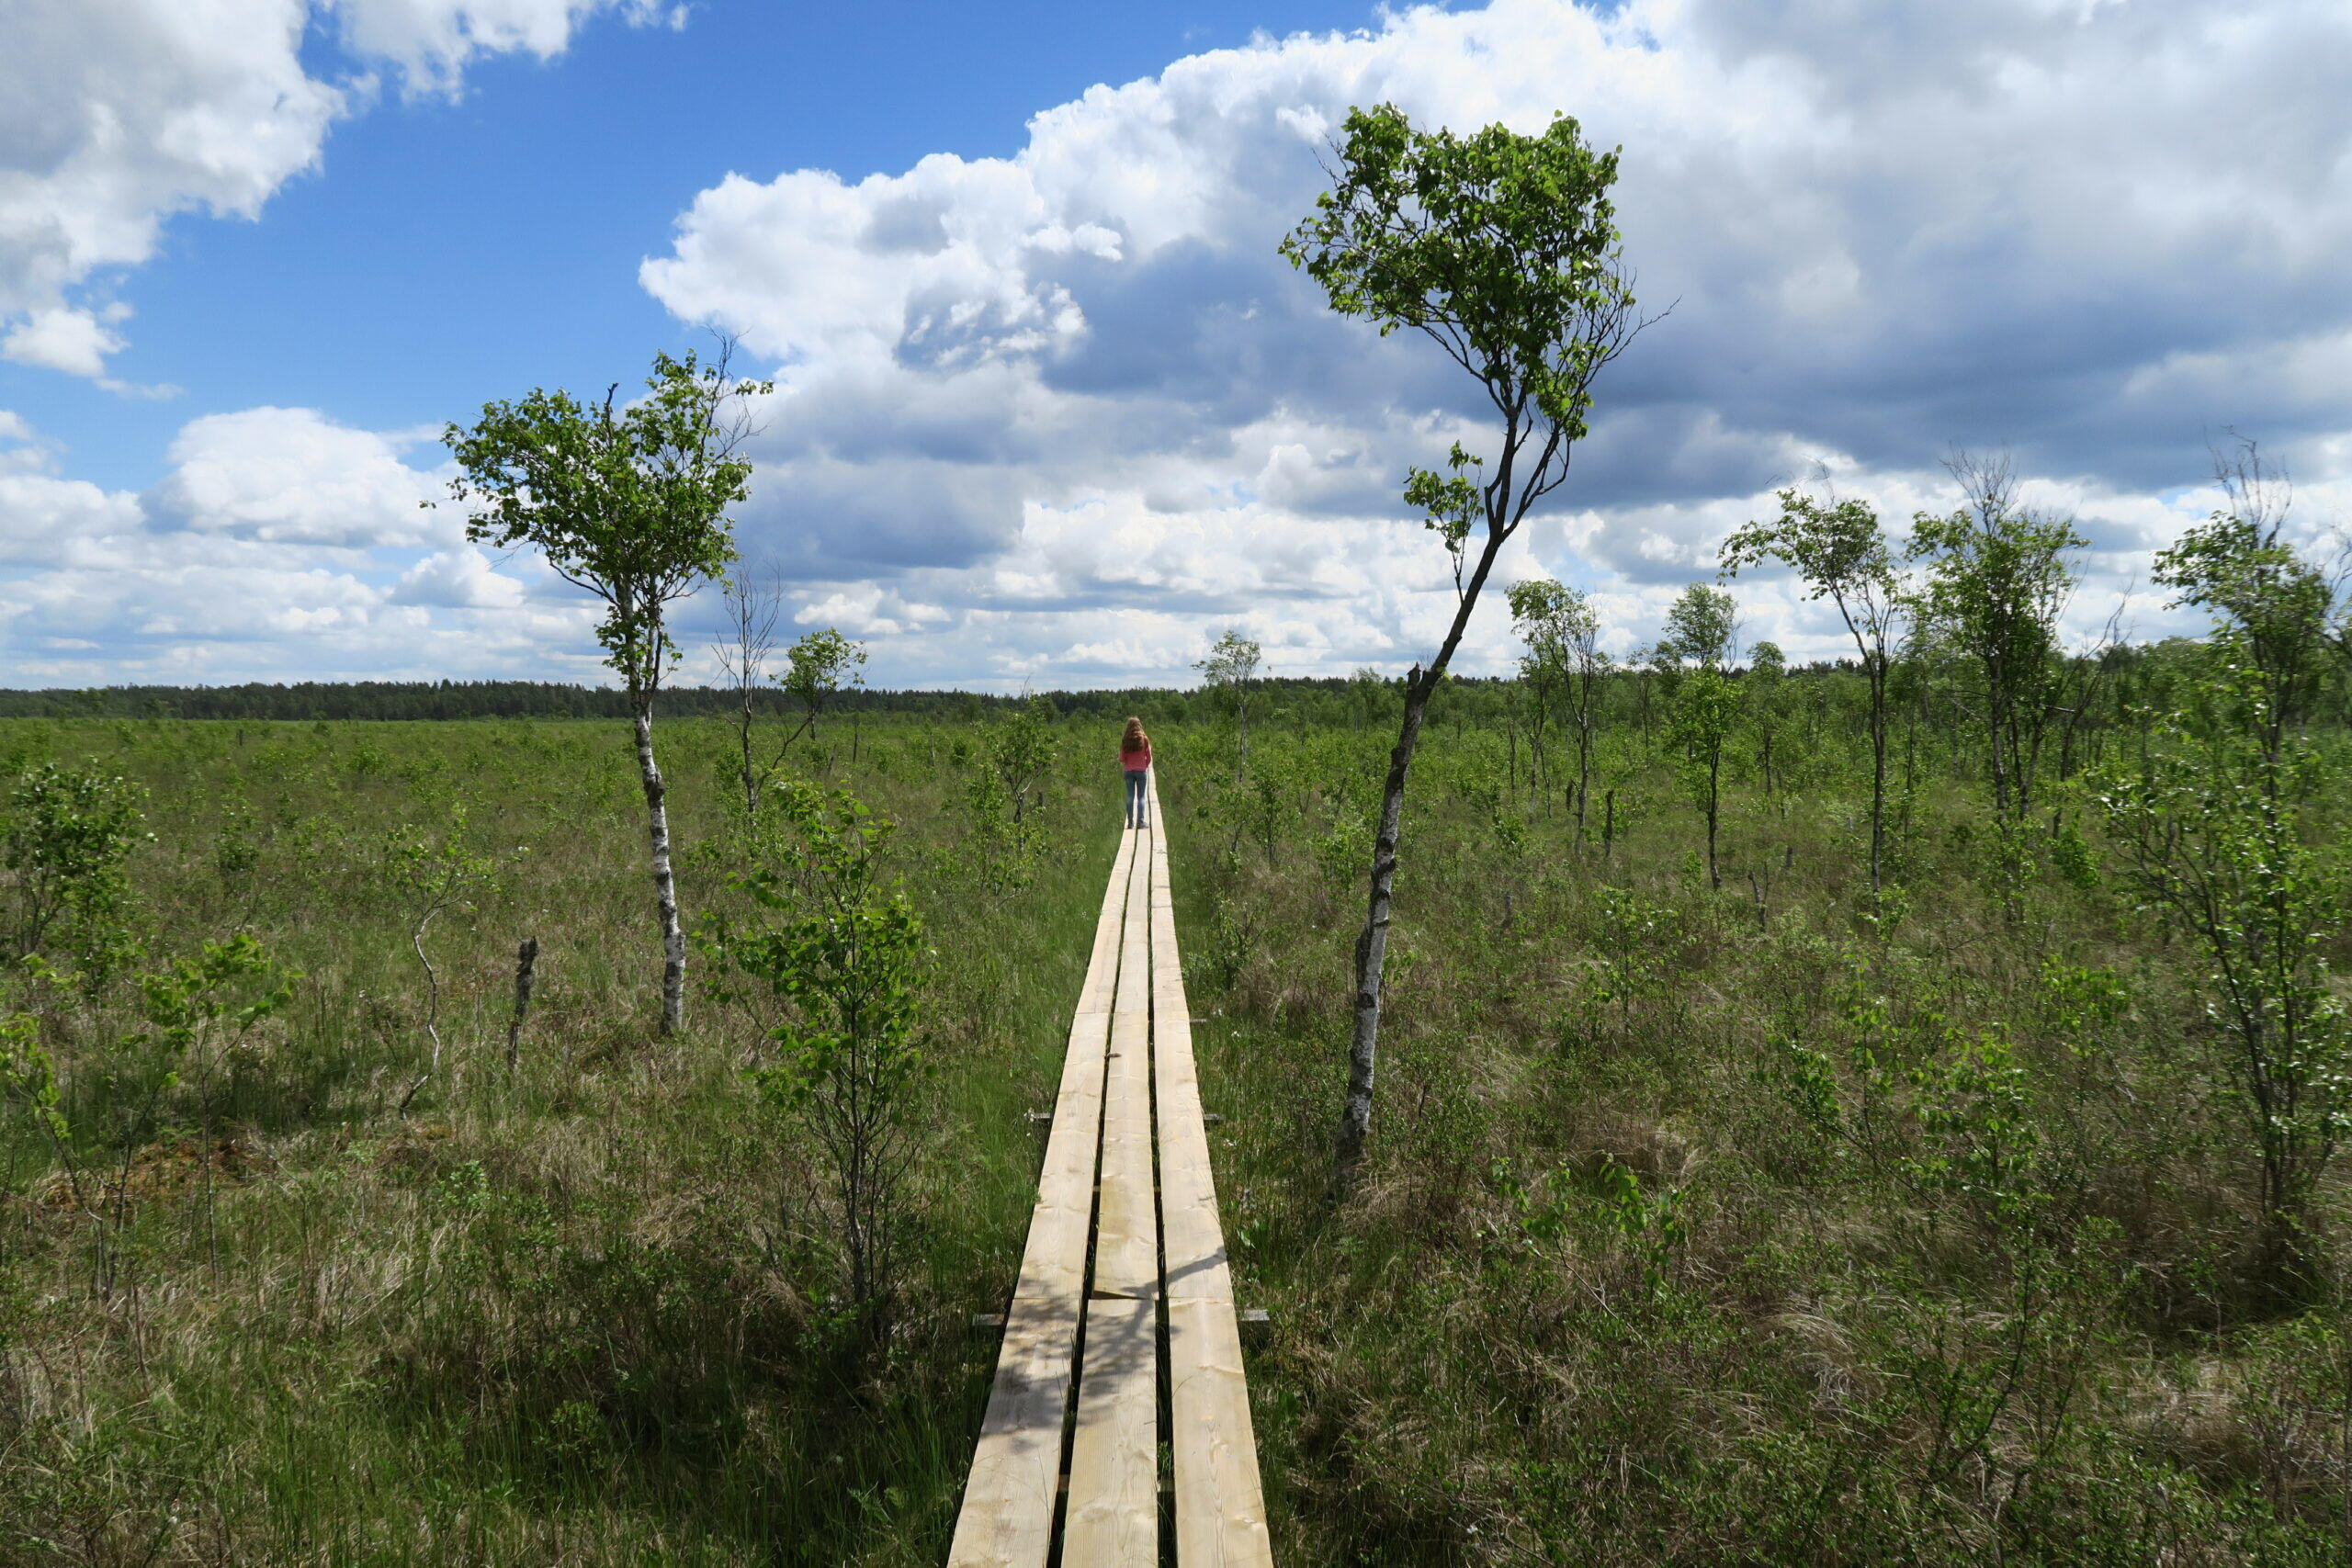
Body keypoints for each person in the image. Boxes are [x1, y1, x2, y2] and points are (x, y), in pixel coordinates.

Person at [1119, 716, 1152, 829]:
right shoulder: (1144, 739)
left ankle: (1130, 822)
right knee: (1141, 797)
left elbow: (1121, 759)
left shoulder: (1125, 740)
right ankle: (1141, 822)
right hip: (1141, 771)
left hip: (1128, 771)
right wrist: (1144, 766)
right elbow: (1149, 758)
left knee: (1130, 796)